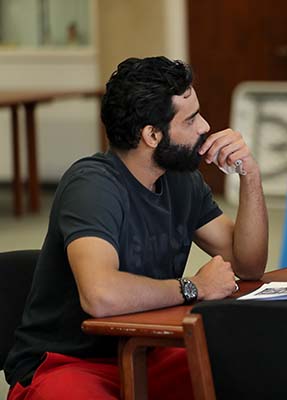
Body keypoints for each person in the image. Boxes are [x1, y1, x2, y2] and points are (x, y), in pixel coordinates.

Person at [4, 56, 268, 399]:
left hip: (147, 350)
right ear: (153, 135)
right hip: (68, 363)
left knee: (247, 371)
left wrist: (249, 173)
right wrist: (194, 287)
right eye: (191, 119)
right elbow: (100, 295)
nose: (205, 126)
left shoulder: (181, 180)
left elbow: (248, 264)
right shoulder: (92, 186)